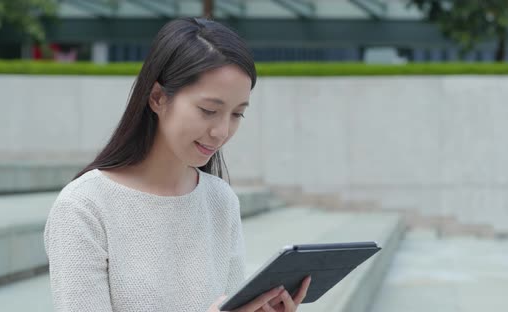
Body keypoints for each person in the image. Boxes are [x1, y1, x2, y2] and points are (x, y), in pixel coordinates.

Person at [43, 17, 311, 312]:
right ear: (158, 97)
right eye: (209, 110)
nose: (222, 131)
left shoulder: (220, 200)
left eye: (237, 114)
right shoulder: (84, 207)